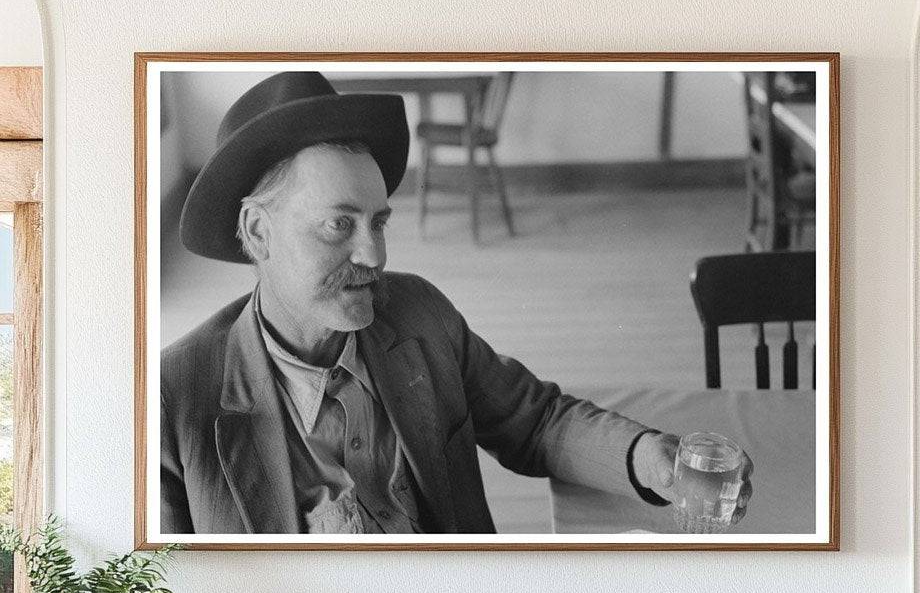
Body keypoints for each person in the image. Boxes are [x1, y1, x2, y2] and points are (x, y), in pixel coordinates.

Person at [161, 71, 752, 534]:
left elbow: (536, 422)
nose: (374, 255)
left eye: (379, 222)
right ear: (258, 232)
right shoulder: (175, 398)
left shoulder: (419, 316)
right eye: (339, 225)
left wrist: (653, 459)